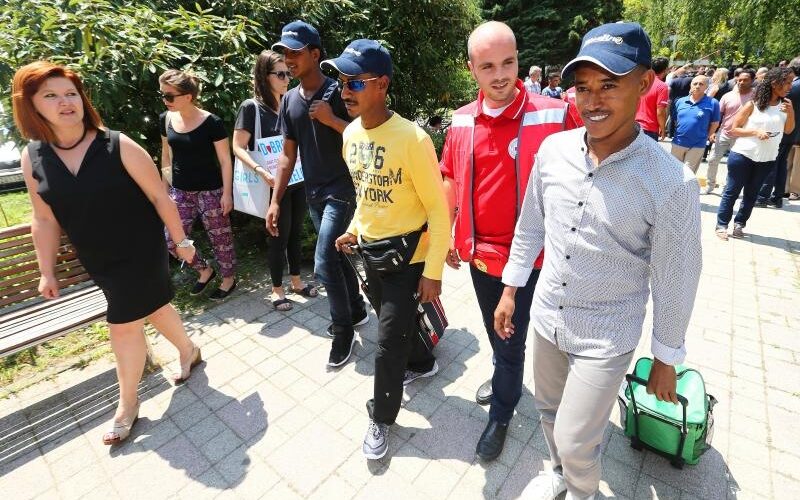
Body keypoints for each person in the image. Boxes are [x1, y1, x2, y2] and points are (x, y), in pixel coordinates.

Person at [494, 23, 702, 500]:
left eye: (609, 85)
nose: (593, 101)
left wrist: (666, 357)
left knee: (576, 439)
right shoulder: (553, 151)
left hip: (607, 334)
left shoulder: (671, 183)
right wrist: (510, 290)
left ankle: (582, 491)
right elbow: (530, 225)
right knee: (548, 410)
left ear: (644, 83)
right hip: (548, 317)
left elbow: (676, 279)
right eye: (584, 88)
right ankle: (557, 474)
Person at [12, 61, 203, 445]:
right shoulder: (33, 157)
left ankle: (127, 404)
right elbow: (43, 219)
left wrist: (182, 242)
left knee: (123, 321)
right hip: (98, 257)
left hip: (140, 248)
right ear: (31, 105)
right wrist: (46, 270)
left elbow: (159, 197)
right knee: (153, 307)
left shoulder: (116, 144)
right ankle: (189, 349)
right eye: (51, 95)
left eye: (71, 93)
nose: (65, 102)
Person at [440, 21, 578, 463]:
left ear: (519, 60)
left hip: (535, 259)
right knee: (497, 332)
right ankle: (507, 376)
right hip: (482, 257)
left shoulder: (554, 114)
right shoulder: (462, 119)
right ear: (471, 69)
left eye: (508, 63)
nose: (500, 75)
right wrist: (447, 231)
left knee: (512, 337)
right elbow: (449, 175)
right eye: (487, 67)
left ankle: (501, 411)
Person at [326, 40, 450, 460]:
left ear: (381, 84)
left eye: (355, 82)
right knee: (393, 323)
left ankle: (381, 417)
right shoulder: (349, 135)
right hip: (371, 252)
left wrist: (433, 271)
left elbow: (438, 209)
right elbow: (366, 196)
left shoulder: (413, 139)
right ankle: (423, 363)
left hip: (409, 257)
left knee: (386, 342)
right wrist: (352, 230)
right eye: (342, 82)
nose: (345, 90)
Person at [267, 20, 368, 367]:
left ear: (314, 54)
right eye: (284, 53)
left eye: (295, 52)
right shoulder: (289, 101)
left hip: (344, 189)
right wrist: (276, 201)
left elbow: (365, 137)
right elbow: (287, 156)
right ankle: (356, 309)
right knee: (338, 256)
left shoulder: (340, 91)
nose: (289, 59)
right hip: (314, 193)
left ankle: (343, 331)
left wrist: (331, 120)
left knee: (324, 262)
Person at [232, 50, 317, 311]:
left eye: (288, 74)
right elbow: (237, 146)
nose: (287, 79)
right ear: (264, 76)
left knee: (295, 232)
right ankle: (277, 290)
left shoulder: (289, 103)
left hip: (296, 179)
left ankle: (297, 281)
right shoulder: (251, 108)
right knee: (278, 235)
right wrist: (260, 171)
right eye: (280, 74)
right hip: (271, 183)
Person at [159, 70, 237, 300]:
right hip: (180, 192)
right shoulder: (166, 119)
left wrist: (227, 194)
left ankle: (229, 279)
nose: (164, 100)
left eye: (169, 96)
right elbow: (166, 156)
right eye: (162, 94)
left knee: (221, 240)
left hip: (211, 192)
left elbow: (225, 160)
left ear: (188, 96)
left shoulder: (212, 122)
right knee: (172, 240)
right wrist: (164, 192)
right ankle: (204, 270)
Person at [715, 67, 795, 240]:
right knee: (732, 191)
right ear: (774, 83)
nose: (790, 86)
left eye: (791, 82)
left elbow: (789, 130)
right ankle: (721, 225)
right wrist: (755, 132)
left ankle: (739, 224)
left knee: (751, 194)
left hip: (767, 158)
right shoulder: (753, 104)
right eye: (787, 82)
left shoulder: (786, 106)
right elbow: (734, 129)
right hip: (743, 155)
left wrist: (790, 113)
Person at [756, 58, 800, 208]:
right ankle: (777, 198)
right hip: (792, 131)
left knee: (772, 163)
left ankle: (762, 197)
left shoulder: (789, 87)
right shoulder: (793, 85)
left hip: (780, 129)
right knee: (781, 165)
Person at [705, 68, 756, 194]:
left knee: (734, 164)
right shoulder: (727, 96)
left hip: (742, 136)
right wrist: (713, 132)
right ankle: (710, 185)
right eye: (739, 80)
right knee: (712, 160)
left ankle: (727, 188)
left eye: (745, 80)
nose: (741, 82)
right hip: (724, 133)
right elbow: (718, 115)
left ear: (752, 81)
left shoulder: (756, 97)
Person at [671, 75, 720, 173]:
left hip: (697, 145)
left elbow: (715, 123)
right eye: (695, 83)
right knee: (673, 172)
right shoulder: (680, 101)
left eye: (701, 84)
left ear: (706, 87)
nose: (697, 86)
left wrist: (706, 136)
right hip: (678, 143)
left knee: (688, 174)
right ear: (691, 85)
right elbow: (676, 120)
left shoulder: (713, 103)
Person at [635, 56, 669, 140]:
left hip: (634, 126)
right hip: (649, 129)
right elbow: (660, 112)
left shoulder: (640, 82)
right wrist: (663, 129)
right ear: (665, 70)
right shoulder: (662, 86)